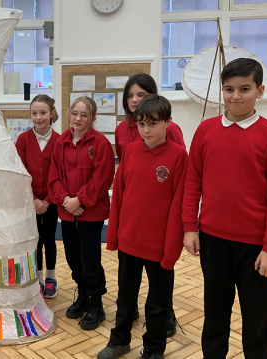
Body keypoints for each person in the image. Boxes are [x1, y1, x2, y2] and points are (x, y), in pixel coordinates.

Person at [182, 58, 267, 358]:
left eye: (245, 89)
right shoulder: (205, 130)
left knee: (256, 318)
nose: (235, 96)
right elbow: (193, 182)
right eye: (229, 89)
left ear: (259, 90)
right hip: (213, 240)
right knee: (215, 313)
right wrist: (190, 227)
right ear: (222, 90)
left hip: (256, 246)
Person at [98, 95, 187, 359]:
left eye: (153, 124)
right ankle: (120, 340)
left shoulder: (179, 157)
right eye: (141, 124)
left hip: (160, 247)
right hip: (129, 243)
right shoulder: (130, 153)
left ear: (168, 123)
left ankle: (153, 349)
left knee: (158, 304)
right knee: (125, 298)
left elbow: (179, 206)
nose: (146, 130)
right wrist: (113, 237)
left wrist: (171, 251)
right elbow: (120, 197)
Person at [115, 73, 185, 335]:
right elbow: (126, 174)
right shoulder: (123, 130)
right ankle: (128, 315)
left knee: (160, 280)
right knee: (128, 283)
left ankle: (166, 313)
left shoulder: (172, 131)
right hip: (133, 225)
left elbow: (177, 175)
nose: (134, 100)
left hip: (159, 225)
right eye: (130, 95)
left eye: (141, 95)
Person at [47, 96, 115, 330]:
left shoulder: (101, 144)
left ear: (93, 119)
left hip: (90, 214)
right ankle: (83, 295)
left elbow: (103, 178)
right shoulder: (60, 143)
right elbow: (54, 177)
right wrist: (65, 199)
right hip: (67, 213)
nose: (78, 118)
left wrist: (80, 200)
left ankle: (96, 303)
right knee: (74, 259)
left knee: (90, 260)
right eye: (74, 113)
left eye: (84, 115)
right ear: (68, 115)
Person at [15, 94, 60, 298]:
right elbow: (20, 171)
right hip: (29, 201)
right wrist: (33, 200)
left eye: (43, 113)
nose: (38, 117)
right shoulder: (23, 140)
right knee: (35, 240)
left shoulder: (60, 141)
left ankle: (50, 277)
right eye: (34, 113)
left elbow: (61, 173)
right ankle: (38, 277)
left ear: (51, 114)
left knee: (49, 239)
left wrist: (48, 200)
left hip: (52, 201)